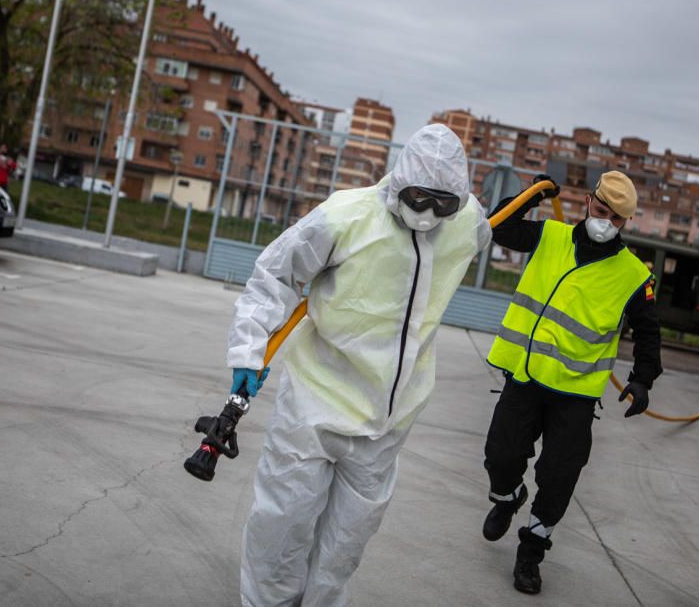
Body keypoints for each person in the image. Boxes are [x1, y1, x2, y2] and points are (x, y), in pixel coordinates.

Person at [226, 123, 492, 606]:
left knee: (345, 546)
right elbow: (275, 276)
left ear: (460, 197)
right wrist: (249, 349)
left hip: (389, 419)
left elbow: (485, 226)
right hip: (316, 402)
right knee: (283, 527)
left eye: (443, 204)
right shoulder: (345, 215)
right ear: (397, 181)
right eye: (418, 198)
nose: (429, 214)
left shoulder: (469, 222)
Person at [481, 170, 662, 595]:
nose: (606, 223)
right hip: (524, 377)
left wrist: (642, 380)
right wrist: (531, 195)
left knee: (560, 476)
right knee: (501, 457)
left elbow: (648, 331)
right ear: (588, 202)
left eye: (616, 220)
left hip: (576, 395)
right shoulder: (550, 236)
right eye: (602, 212)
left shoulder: (634, 275)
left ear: (625, 223)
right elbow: (497, 227)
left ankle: (531, 552)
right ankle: (507, 499)